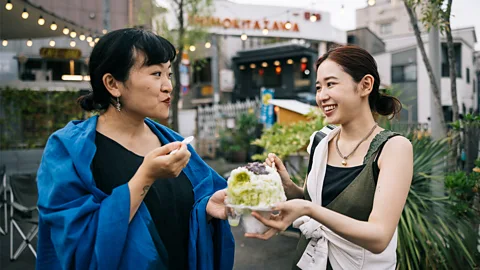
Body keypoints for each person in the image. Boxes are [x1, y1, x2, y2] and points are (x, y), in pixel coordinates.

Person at [36, 28, 234, 270]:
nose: (168, 86)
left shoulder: (172, 141)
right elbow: (75, 247)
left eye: (168, 74)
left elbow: (186, 207)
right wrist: (145, 176)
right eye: (156, 73)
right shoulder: (69, 150)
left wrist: (207, 207)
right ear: (113, 84)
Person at [247, 45, 413, 270]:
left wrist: (309, 210)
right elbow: (315, 201)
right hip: (309, 261)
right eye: (318, 87)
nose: (322, 96)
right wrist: (287, 186)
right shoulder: (320, 140)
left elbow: (379, 237)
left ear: (365, 85)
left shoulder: (393, 148)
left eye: (330, 84)